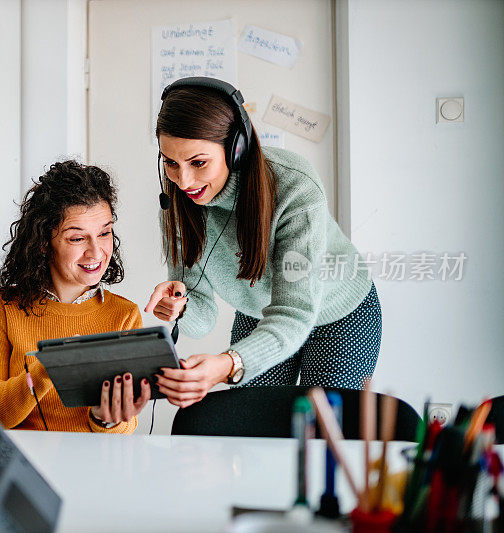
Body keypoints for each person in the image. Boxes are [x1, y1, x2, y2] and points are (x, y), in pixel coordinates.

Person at [145, 77, 382, 409]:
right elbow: (202, 320)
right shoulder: (177, 206)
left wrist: (228, 364)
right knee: (252, 425)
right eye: (171, 163)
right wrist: (180, 305)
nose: (184, 181)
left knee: (321, 431)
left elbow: (294, 312)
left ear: (236, 148)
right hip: (259, 311)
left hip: (336, 312)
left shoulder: (294, 186)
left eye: (198, 162)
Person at [0, 160, 152, 432]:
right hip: (23, 462)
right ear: (44, 242)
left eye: (104, 233)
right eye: (77, 239)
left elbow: (127, 425)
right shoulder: (2, 306)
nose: (97, 252)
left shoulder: (124, 315)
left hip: (94, 465)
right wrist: (46, 369)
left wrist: (107, 418)